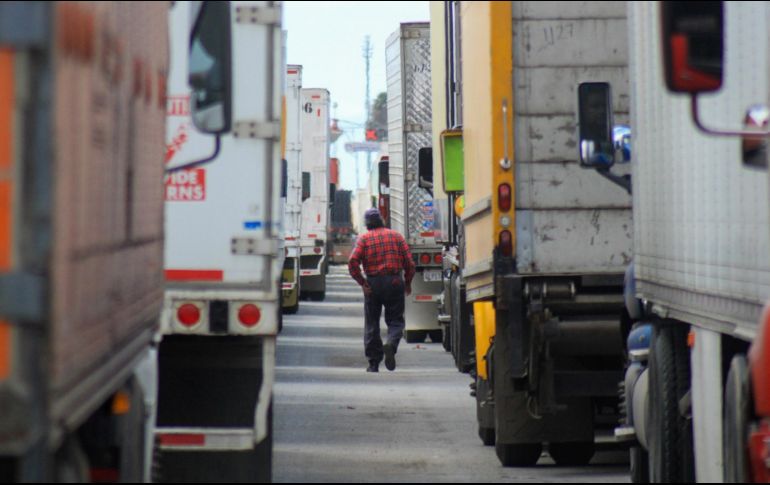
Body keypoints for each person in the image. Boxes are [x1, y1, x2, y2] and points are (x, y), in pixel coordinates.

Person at [348, 208, 415, 373]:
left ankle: (373, 363)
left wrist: (362, 282)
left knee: (372, 323)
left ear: (366, 224)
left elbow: (352, 261)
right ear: (381, 220)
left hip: (373, 284)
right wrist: (407, 282)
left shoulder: (364, 239)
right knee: (396, 320)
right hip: (393, 281)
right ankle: (391, 344)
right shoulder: (396, 236)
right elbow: (410, 263)